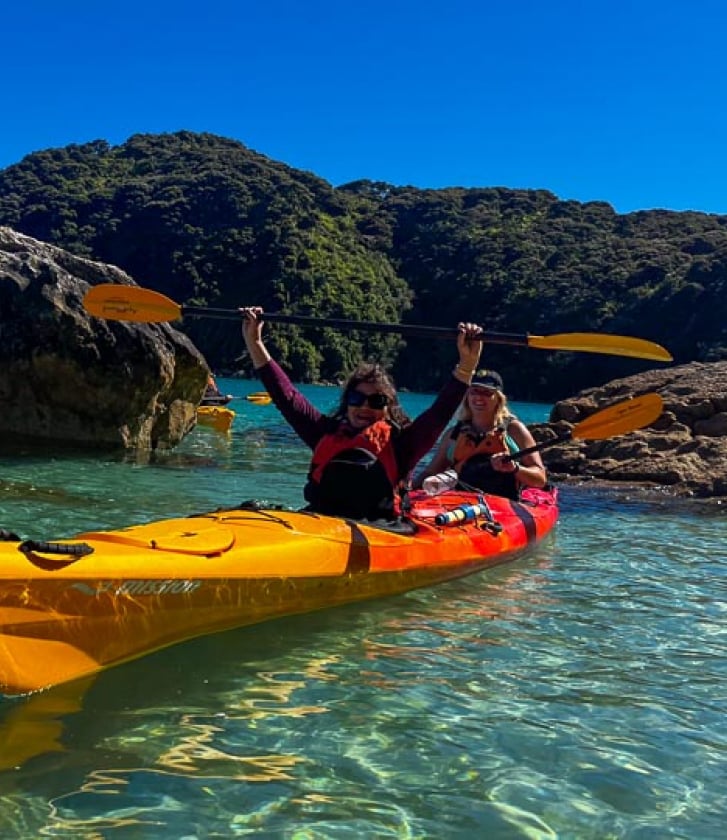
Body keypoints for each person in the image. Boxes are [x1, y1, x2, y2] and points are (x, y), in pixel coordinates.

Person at [240, 307, 484, 521]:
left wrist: (467, 366)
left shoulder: (403, 444)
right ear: (347, 402)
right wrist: (255, 343)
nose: (365, 407)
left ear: (388, 408)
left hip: (380, 528)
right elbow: (286, 396)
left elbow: (439, 413)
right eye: (357, 398)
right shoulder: (324, 432)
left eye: (376, 401)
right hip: (320, 521)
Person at [415, 369, 547, 500]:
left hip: (504, 504)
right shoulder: (453, 434)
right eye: (474, 391)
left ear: (498, 399)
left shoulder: (514, 430)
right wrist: (407, 490)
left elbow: (540, 479)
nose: (479, 397)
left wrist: (515, 468)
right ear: (467, 396)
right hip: (460, 502)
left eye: (487, 393)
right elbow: (431, 472)